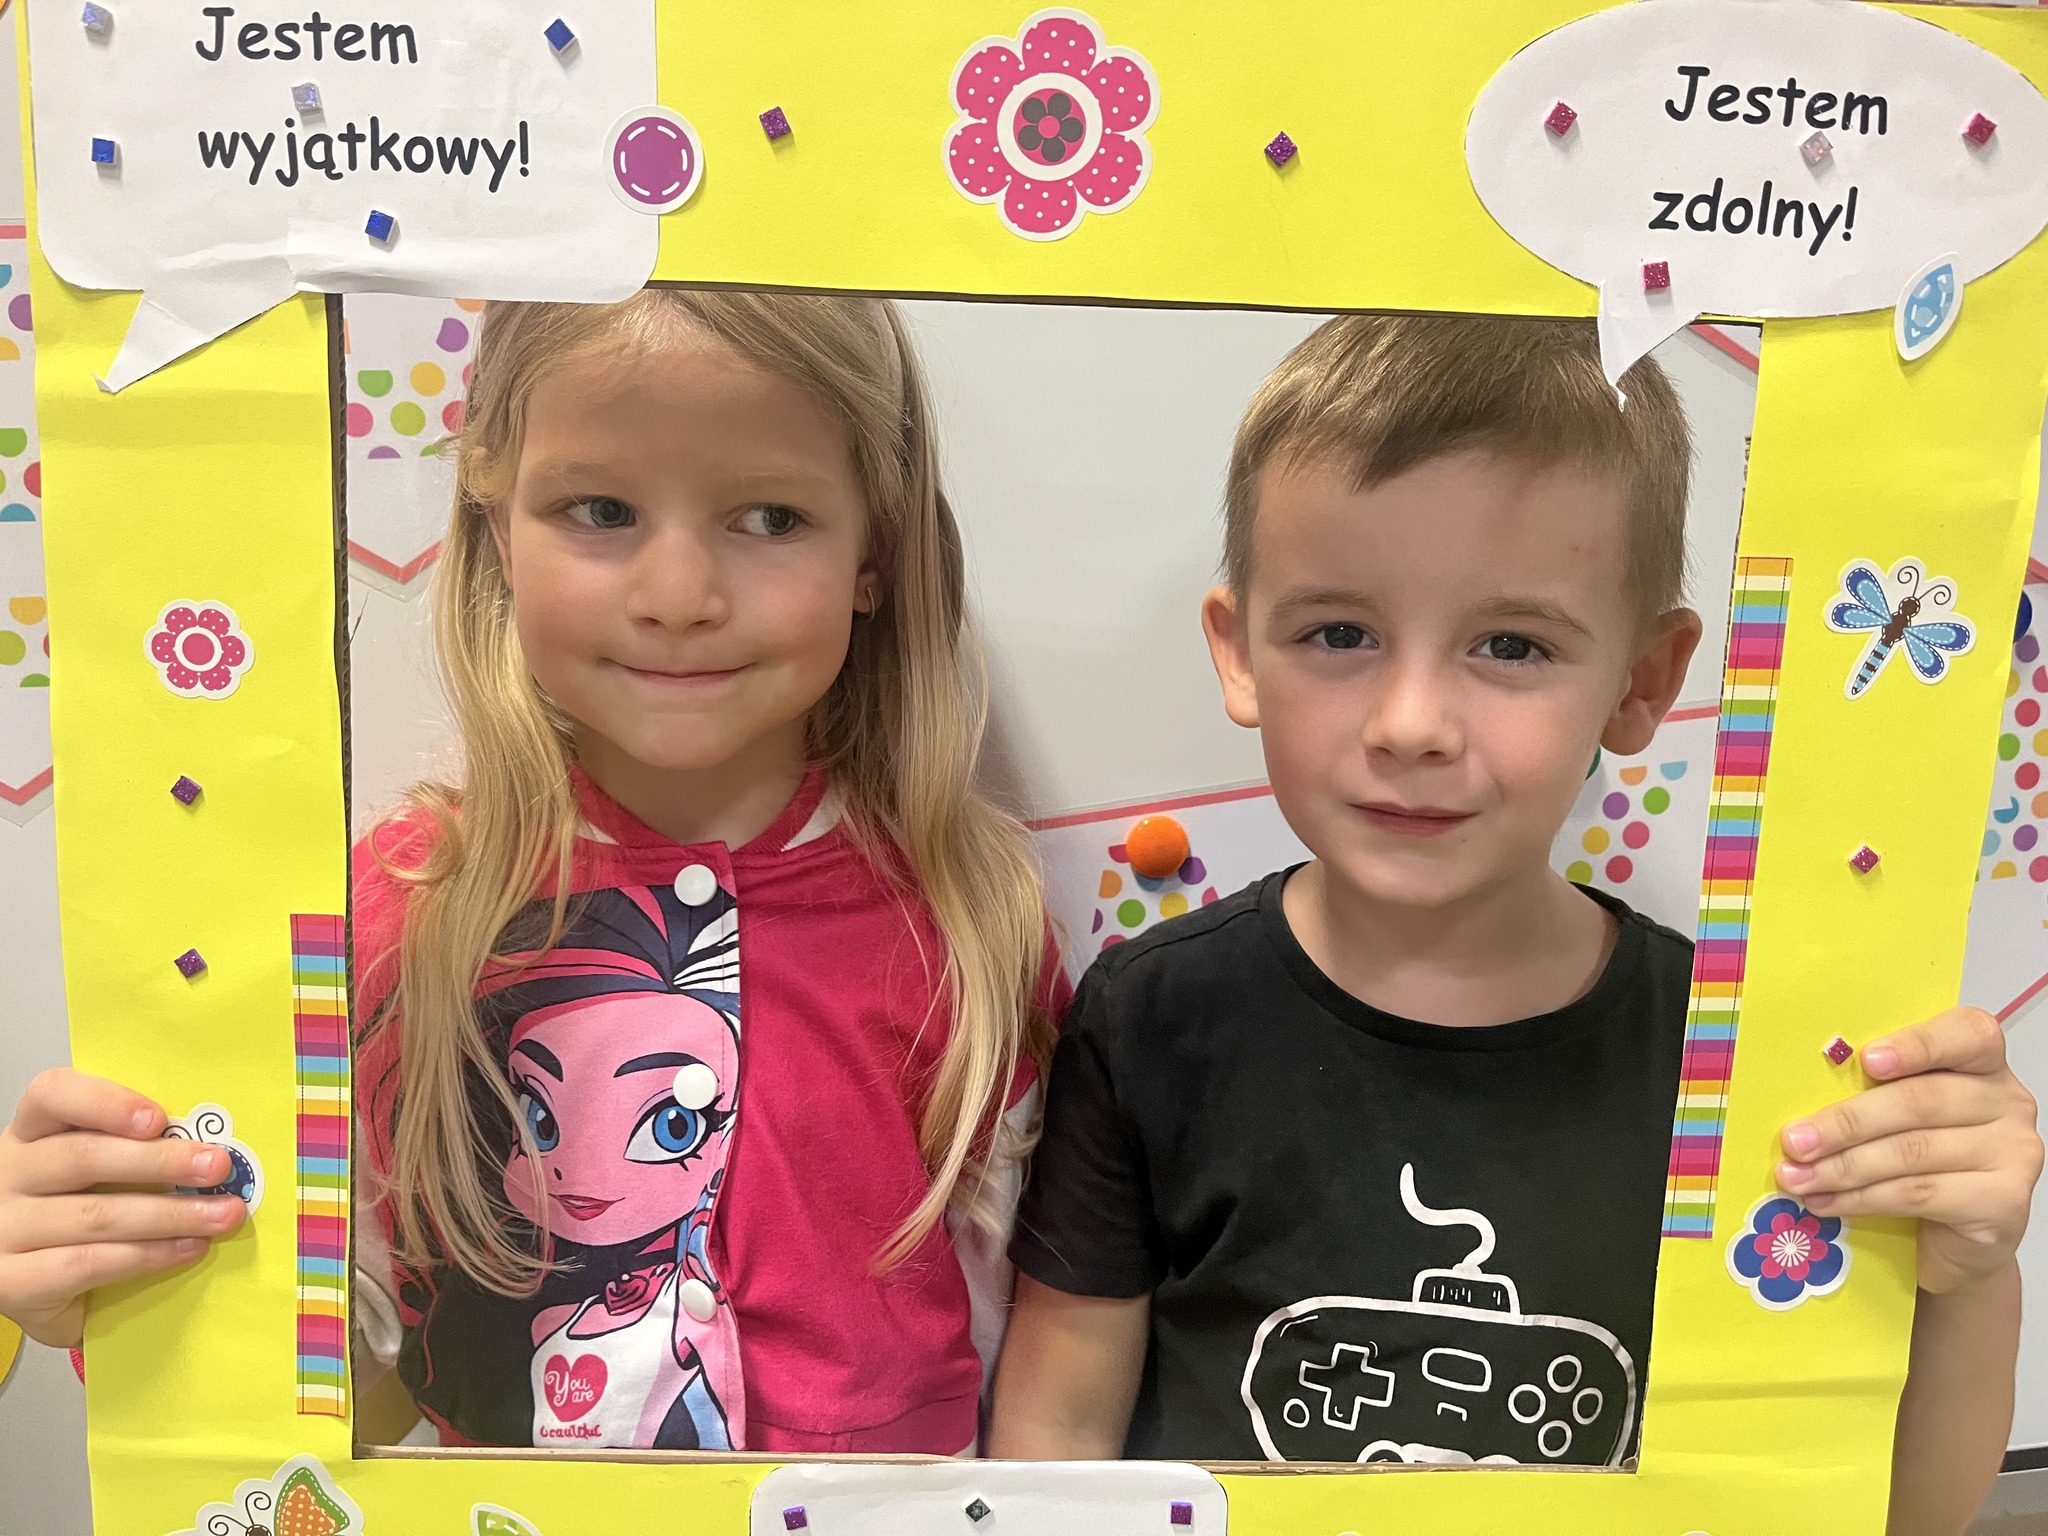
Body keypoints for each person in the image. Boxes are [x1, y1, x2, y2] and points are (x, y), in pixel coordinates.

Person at [987, 315, 2042, 1533]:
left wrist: (1966, 1275)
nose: (1410, 724)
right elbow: (1056, 1440)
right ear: (1238, 654)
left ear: (1640, 683)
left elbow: (1902, 1509)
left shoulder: (1742, 1055)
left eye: (1509, 645)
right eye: (1338, 634)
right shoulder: (1150, 1019)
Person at [0, 289, 1064, 1455]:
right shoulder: (403, 917)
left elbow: (1038, 1366)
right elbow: (346, 1379)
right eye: (599, 509)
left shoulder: (968, 919)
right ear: (498, 524)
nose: (676, 600)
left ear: (877, 551)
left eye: (770, 517)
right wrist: (123, 1287)